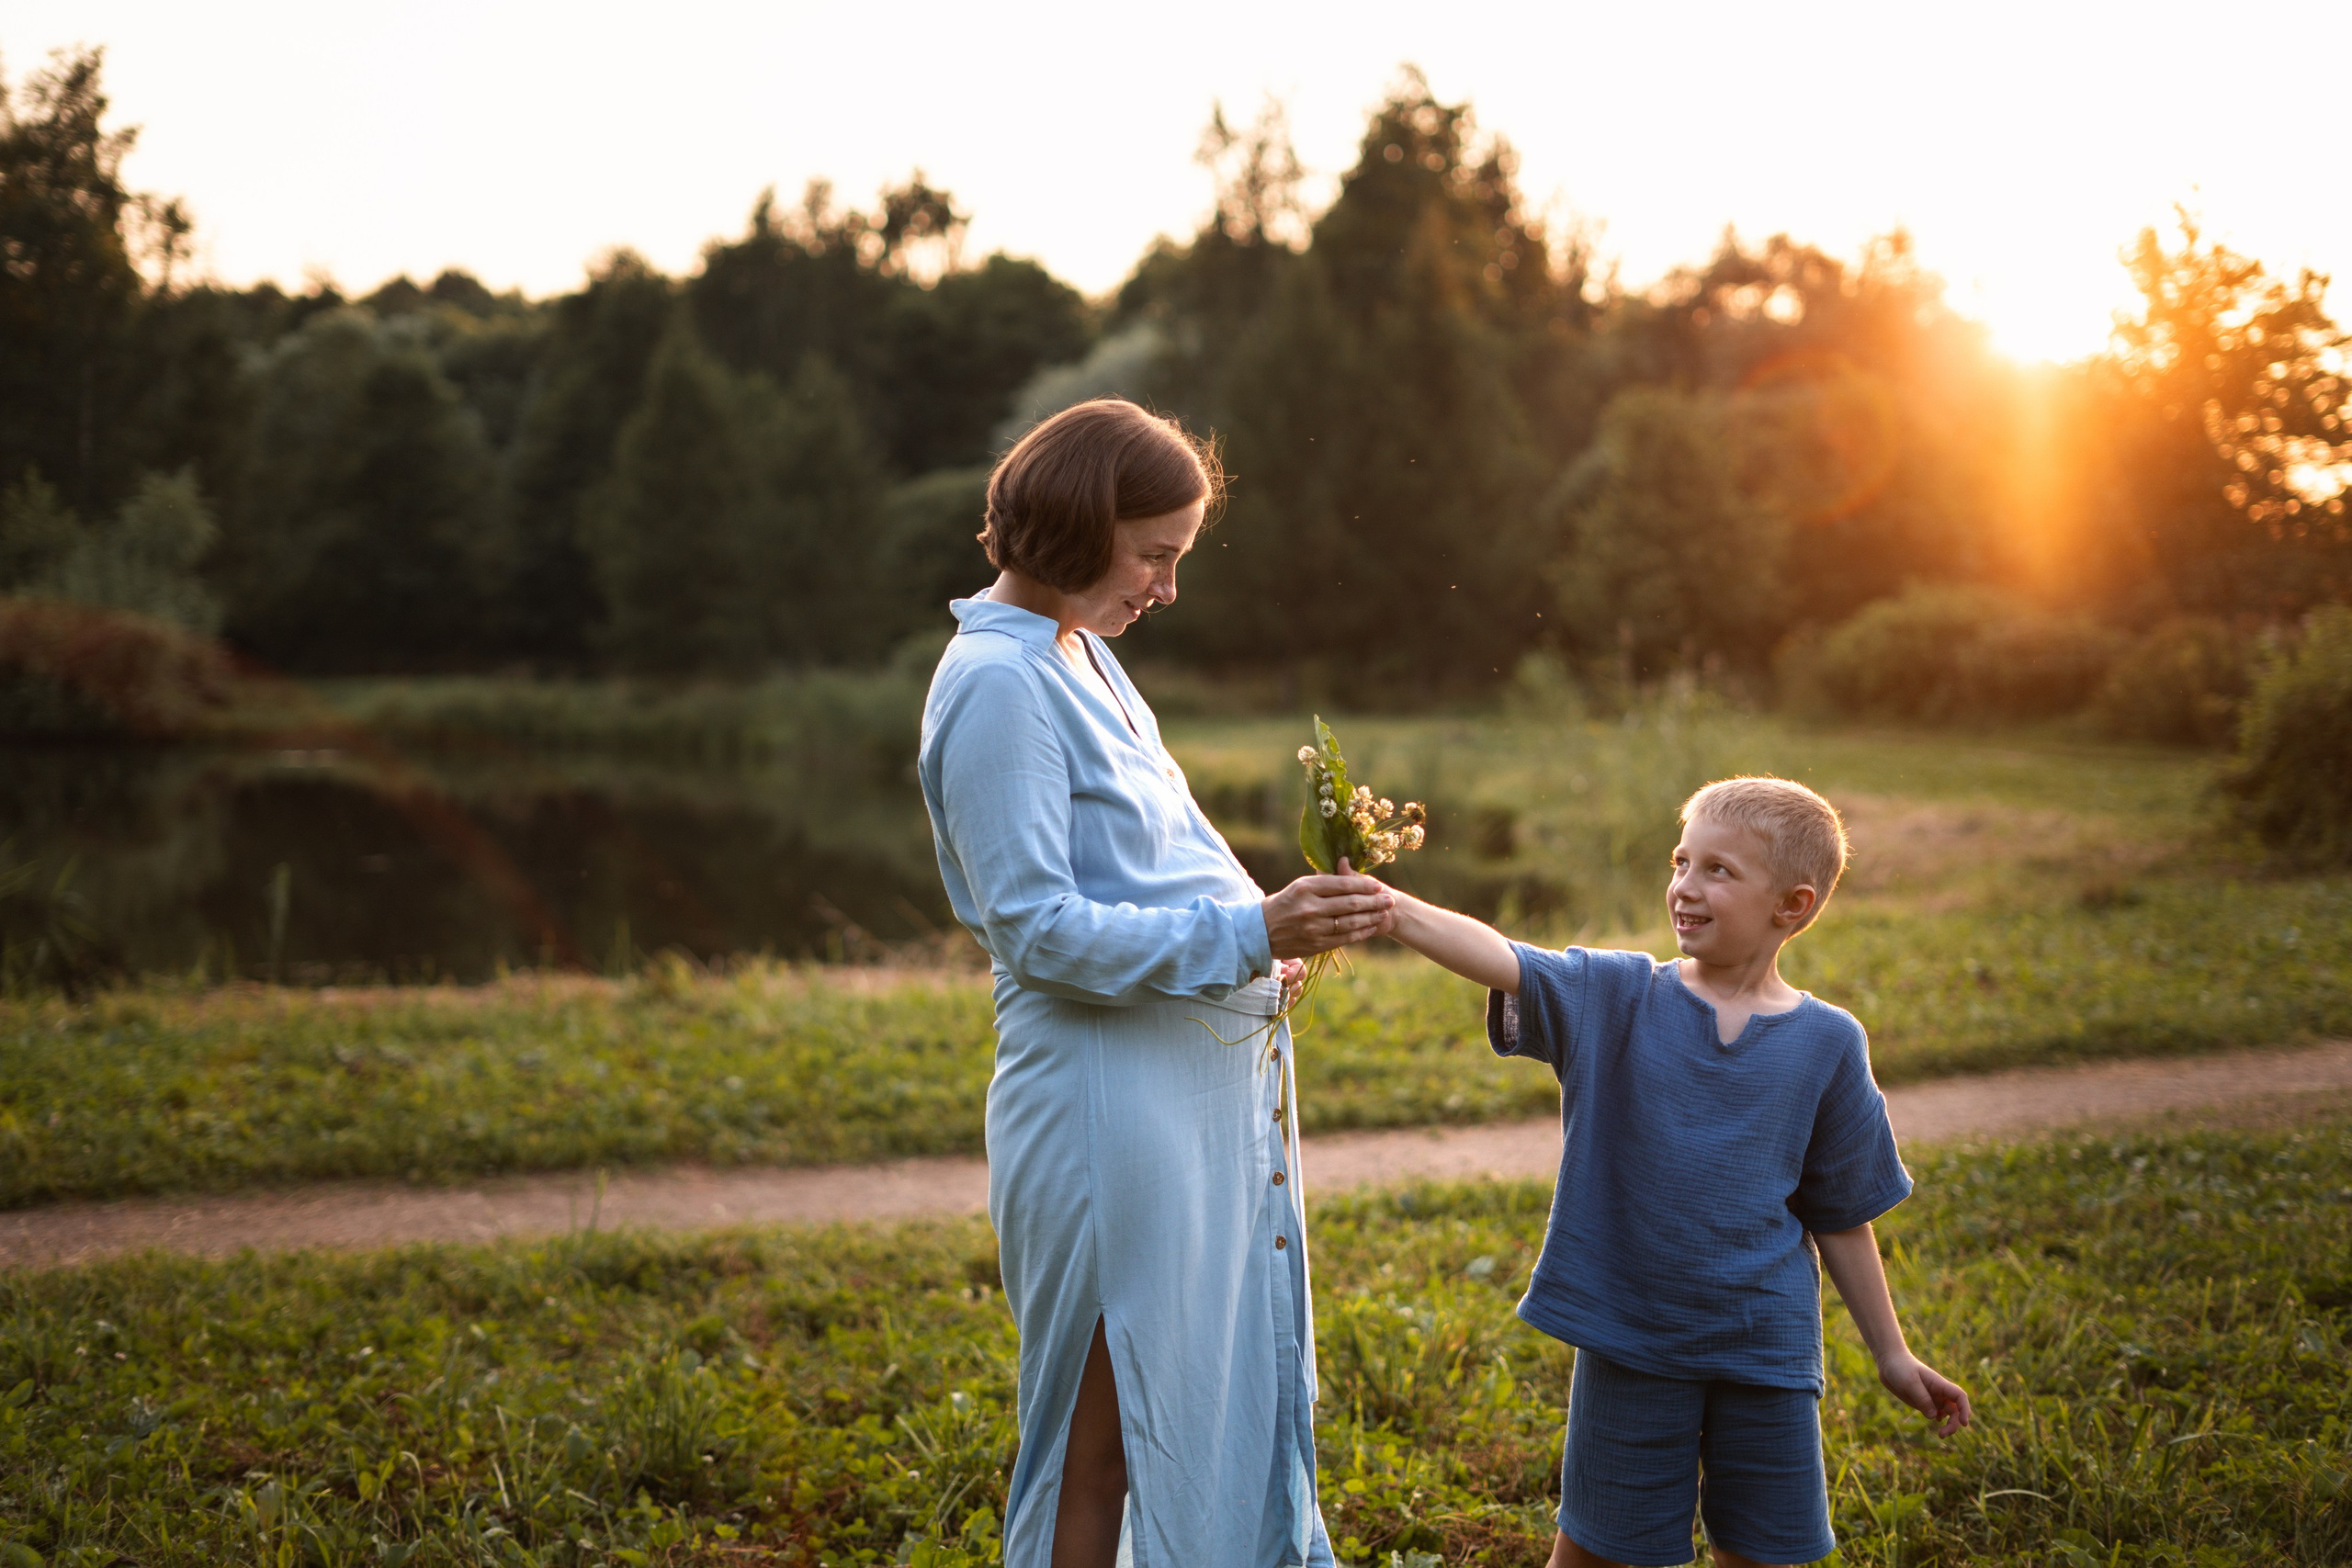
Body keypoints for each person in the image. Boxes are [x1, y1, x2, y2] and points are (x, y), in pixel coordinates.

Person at [918, 399, 1395, 1568]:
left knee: (1189, 1402)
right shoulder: (997, 682)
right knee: (1105, 1434)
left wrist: (1270, 939)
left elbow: (1144, 867)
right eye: (1155, 555)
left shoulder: (1085, 657)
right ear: (1081, 526)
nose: (1168, 588)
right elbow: (1036, 929)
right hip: (1100, 1113)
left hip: (1176, 1100)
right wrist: (1240, 934)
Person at [1374, 775, 1972, 1568]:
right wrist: (1387, 906)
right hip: (1632, 1342)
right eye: (1680, 861)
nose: (1684, 887)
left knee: (1766, 1552)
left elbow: (1841, 1213)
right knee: (1597, 1553)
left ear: (1791, 905)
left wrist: (1892, 1354)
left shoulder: (1830, 1043)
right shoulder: (1620, 995)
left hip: (1766, 1353)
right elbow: (1509, 959)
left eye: (1718, 871)